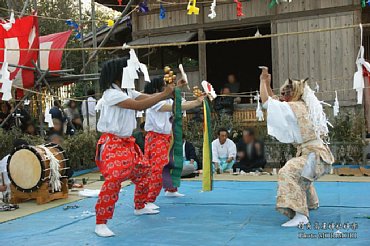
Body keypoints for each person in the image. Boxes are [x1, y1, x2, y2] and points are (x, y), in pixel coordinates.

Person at [94, 57, 175, 237]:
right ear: (118, 74)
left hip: (127, 143)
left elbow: (150, 99)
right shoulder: (111, 94)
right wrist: (164, 93)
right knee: (114, 179)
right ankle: (100, 222)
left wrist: (170, 93)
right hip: (112, 144)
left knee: (145, 171)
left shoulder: (127, 91)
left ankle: (140, 206)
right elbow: (139, 105)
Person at [259, 67, 334, 227]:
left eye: (284, 94)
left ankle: (301, 216)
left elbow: (267, 103)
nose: (282, 97)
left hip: (314, 156)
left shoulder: (294, 107)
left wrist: (262, 81)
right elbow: (274, 101)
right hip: (316, 155)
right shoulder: (300, 105)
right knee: (301, 172)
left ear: (292, 94)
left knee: (288, 172)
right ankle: (312, 203)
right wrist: (266, 83)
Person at [142, 77, 203, 207]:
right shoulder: (153, 100)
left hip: (167, 137)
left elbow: (180, 103)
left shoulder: (169, 99)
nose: (168, 88)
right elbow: (177, 107)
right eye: (165, 86)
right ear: (158, 89)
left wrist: (181, 89)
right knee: (157, 169)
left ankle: (171, 188)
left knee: (173, 163)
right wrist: (197, 102)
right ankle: (148, 200)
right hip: (156, 138)